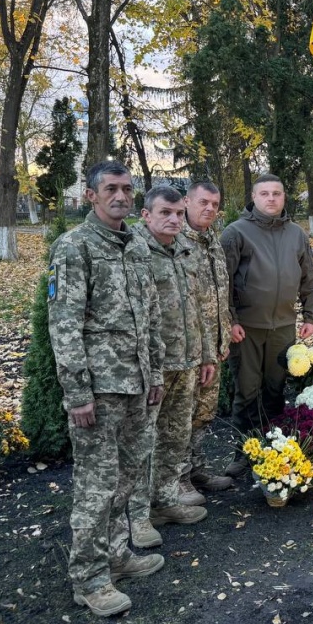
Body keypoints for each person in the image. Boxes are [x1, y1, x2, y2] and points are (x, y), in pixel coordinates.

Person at [48, 160, 165, 617]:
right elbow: (64, 326)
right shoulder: (74, 247)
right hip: (99, 390)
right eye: (111, 188)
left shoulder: (135, 243)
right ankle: (89, 578)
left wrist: (155, 374)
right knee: (95, 487)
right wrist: (77, 393)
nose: (121, 196)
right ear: (91, 195)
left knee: (127, 478)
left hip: (137, 383)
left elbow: (150, 316)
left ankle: (117, 554)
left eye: (127, 189)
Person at [128, 186, 214, 547]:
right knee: (142, 442)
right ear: (146, 214)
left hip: (188, 360)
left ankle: (164, 501)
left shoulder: (186, 249)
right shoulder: (133, 251)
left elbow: (199, 306)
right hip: (152, 366)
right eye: (166, 212)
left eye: (179, 213)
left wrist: (207, 354)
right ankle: (137, 517)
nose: (175, 219)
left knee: (175, 437)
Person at [221, 174, 313, 467]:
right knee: (247, 391)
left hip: (283, 327)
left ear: (284, 197)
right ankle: (244, 452)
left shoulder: (296, 234)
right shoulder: (235, 233)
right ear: (253, 197)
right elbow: (222, 282)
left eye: (276, 193)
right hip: (247, 328)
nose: (271, 198)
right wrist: (231, 320)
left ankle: (273, 450)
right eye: (264, 193)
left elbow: (309, 277)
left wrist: (311, 315)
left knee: (275, 390)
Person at [180, 182, 234, 496]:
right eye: (203, 202)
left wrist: (223, 336)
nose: (210, 208)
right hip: (188, 349)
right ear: (187, 201)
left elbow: (219, 292)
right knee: (181, 417)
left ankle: (196, 469)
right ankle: (178, 480)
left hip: (214, 346)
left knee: (203, 413)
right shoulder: (175, 240)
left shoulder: (212, 239)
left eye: (215, 204)